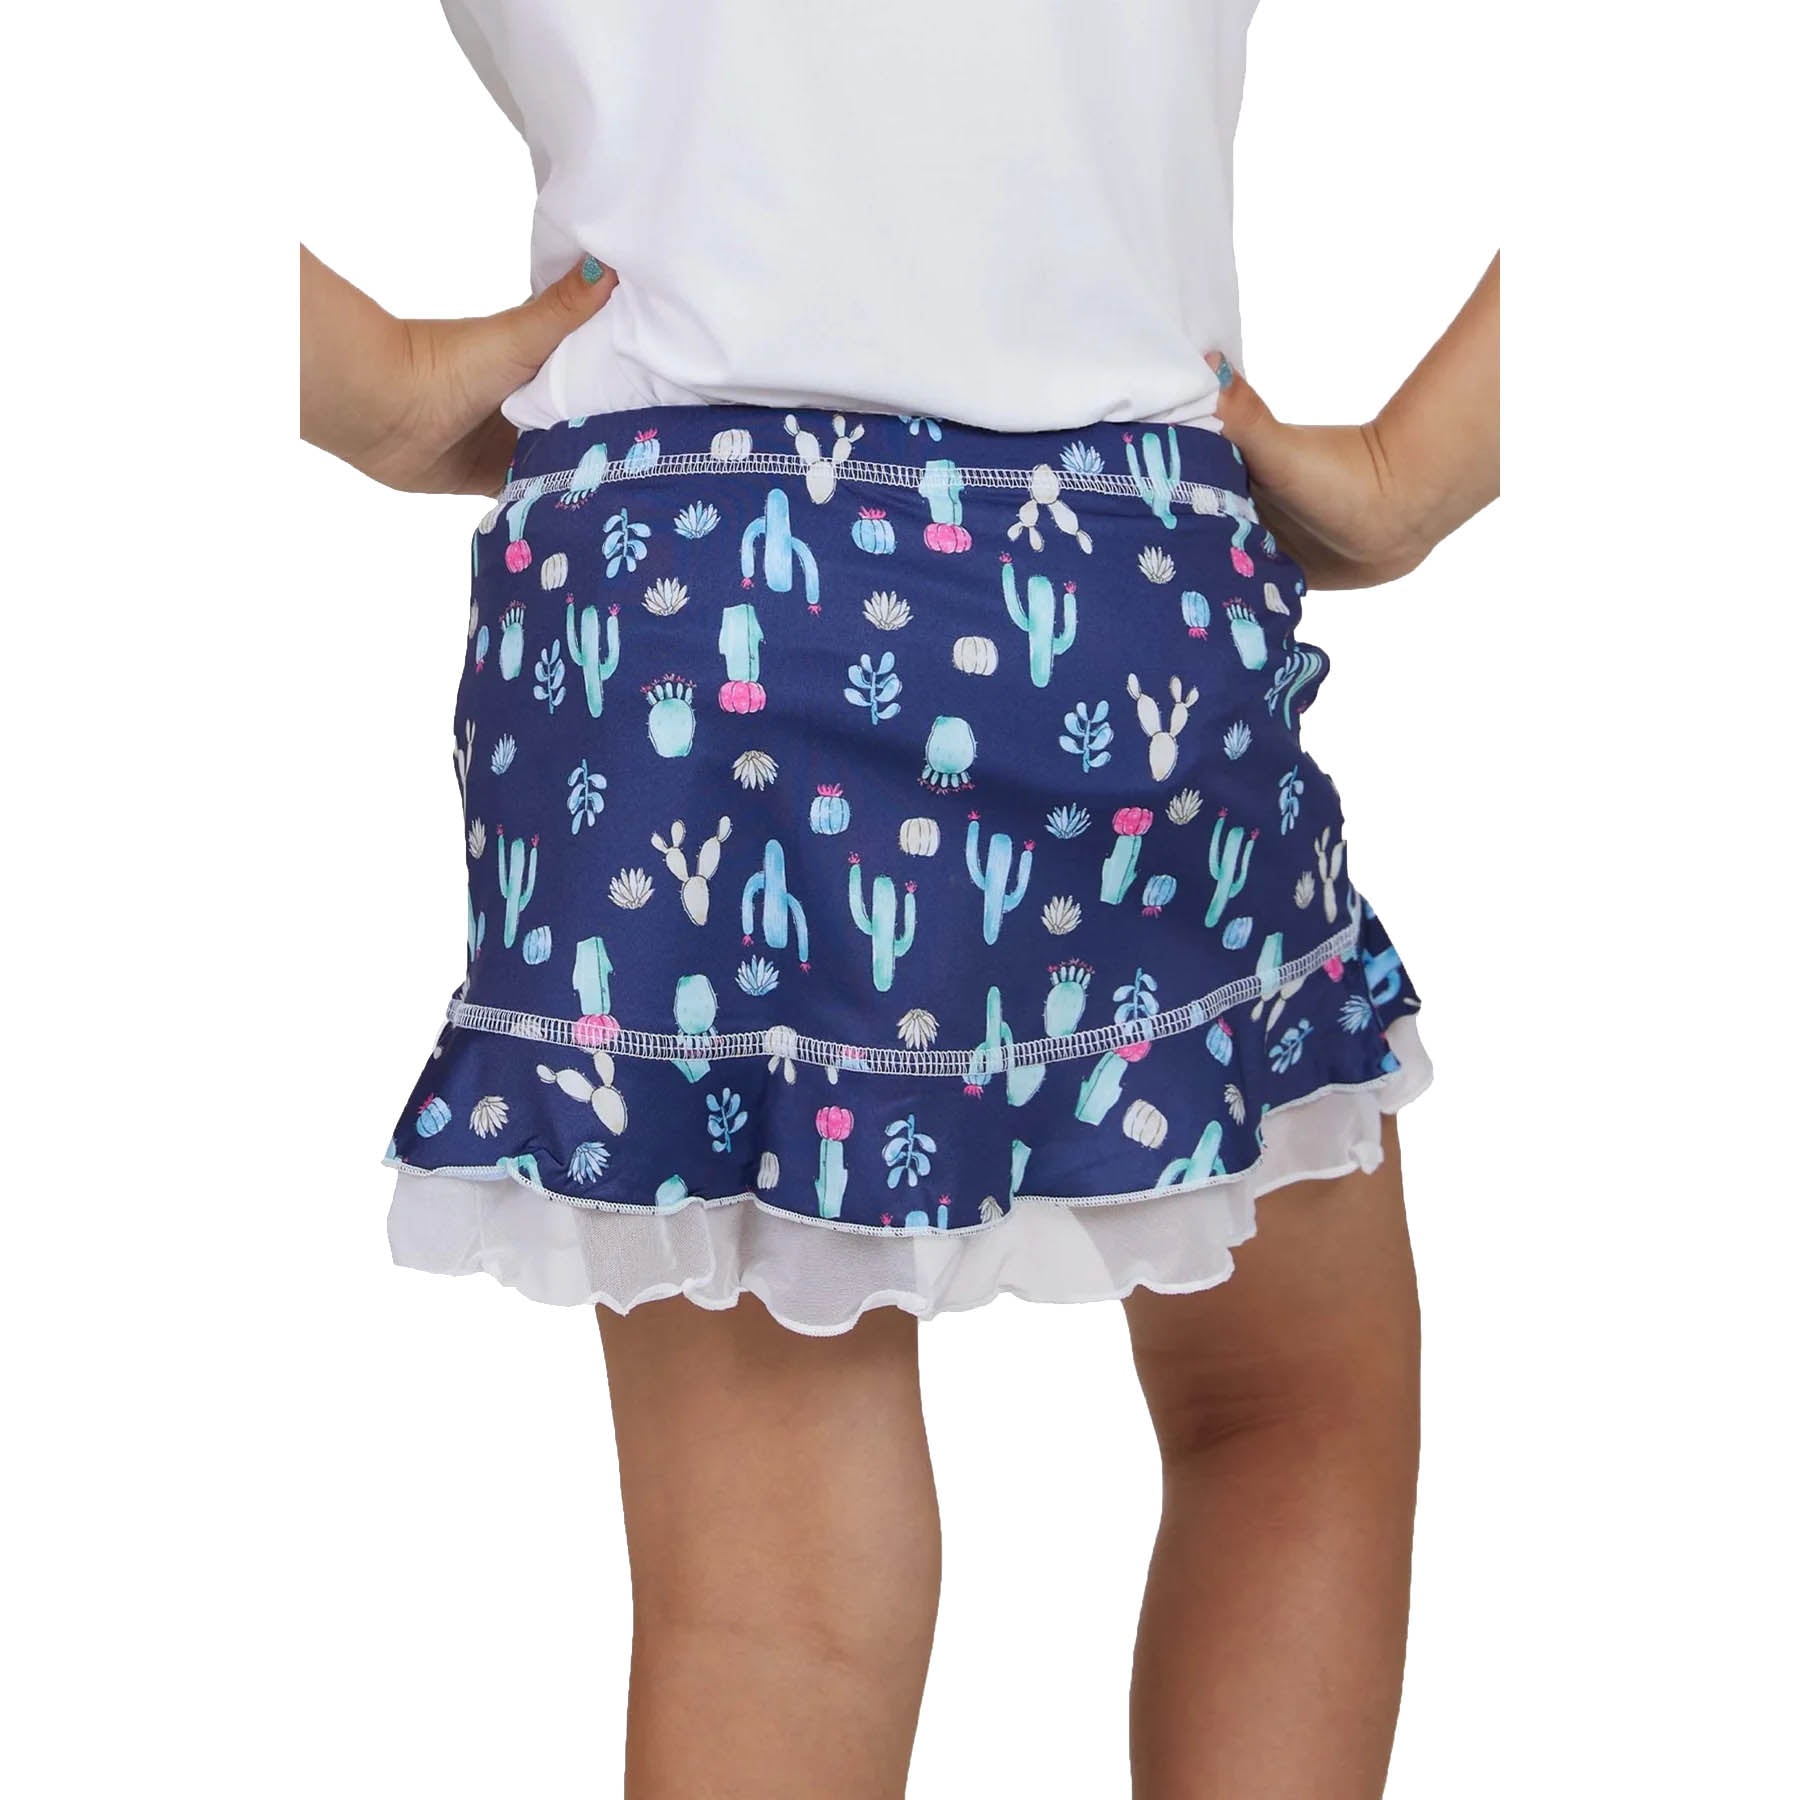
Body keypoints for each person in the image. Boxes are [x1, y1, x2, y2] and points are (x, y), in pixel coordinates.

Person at [301, 4, 1498, 1792]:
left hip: (678, 607)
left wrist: (372, 379)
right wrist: (1417, 476)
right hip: (1113, 587)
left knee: (769, 1602)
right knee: (1287, 1414)